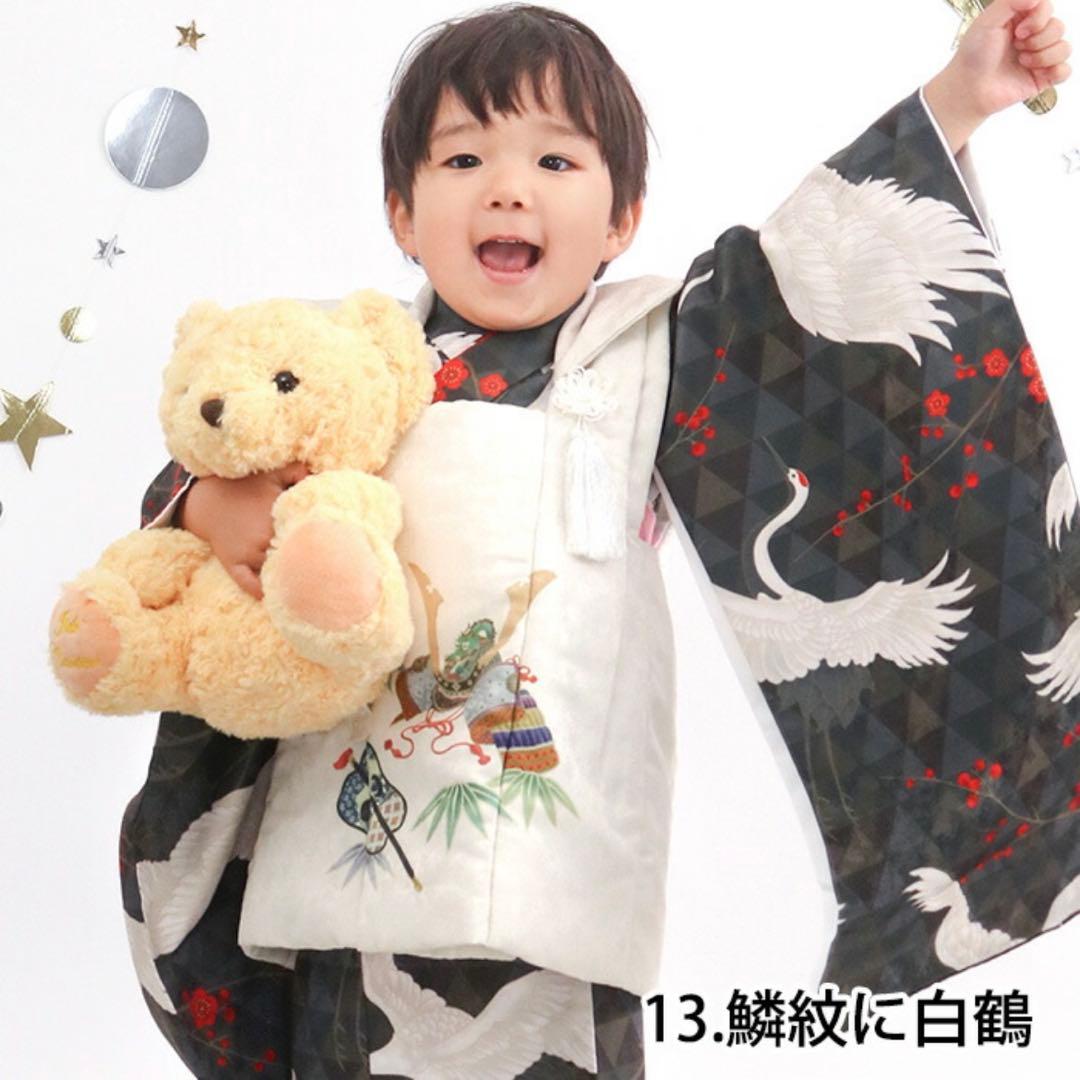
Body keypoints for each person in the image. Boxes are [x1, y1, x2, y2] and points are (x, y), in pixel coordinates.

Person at [122, 1, 1075, 1075]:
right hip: (359, 852)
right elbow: (225, 443)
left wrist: (960, 98)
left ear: (621, 217)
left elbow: (816, 291)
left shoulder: (659, 350)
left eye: (556, 160)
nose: (508, 188)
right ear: (402, 213)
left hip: (560, 864)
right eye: (464, 158)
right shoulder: (346, 370)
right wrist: (208, 504)